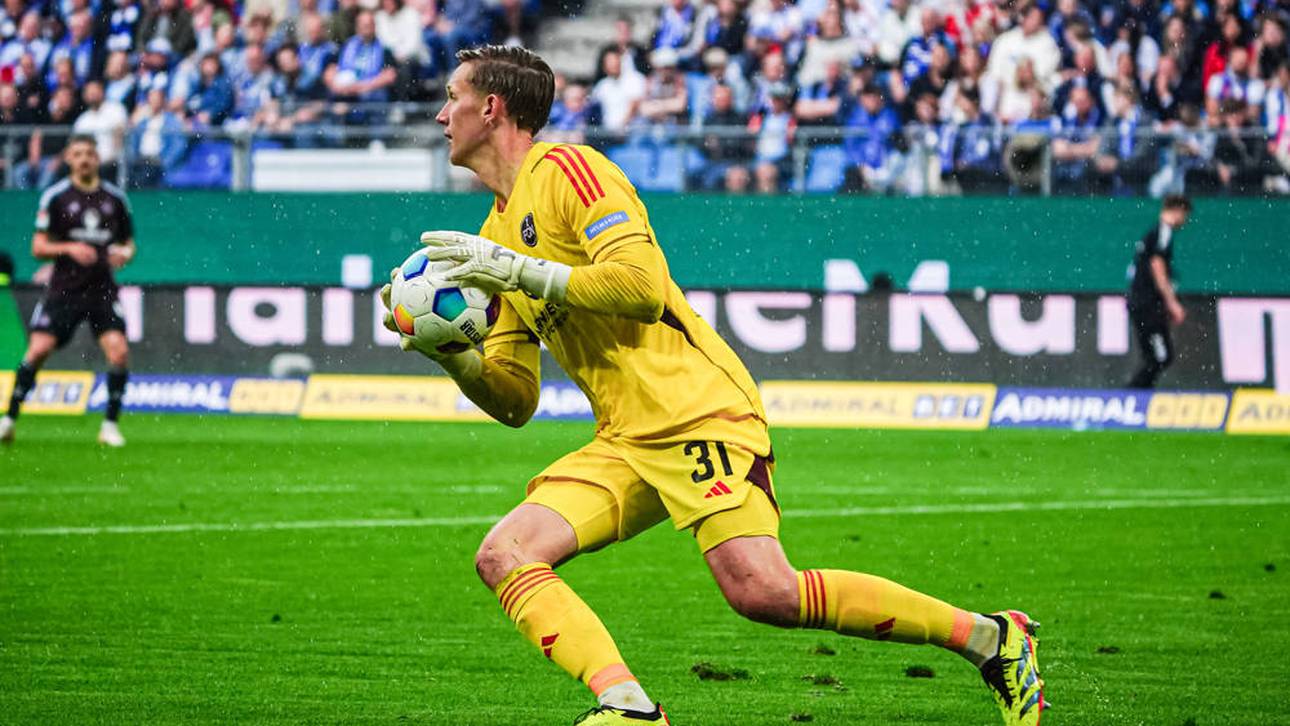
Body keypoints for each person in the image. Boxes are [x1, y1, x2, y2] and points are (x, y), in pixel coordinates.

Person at [379, 45, 1046, 726]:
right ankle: (628, 706)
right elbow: (517, 399)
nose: (439, 114)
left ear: (491, 108)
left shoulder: (569, 171)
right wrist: (454, 356)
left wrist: (516, 270)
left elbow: (639, 289)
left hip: (699, 410)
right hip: (624, 438)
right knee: (505, 553)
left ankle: (990, 638)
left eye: (452, 96)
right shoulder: (492, 237)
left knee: (763, 592)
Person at [0, 136, 135, 447]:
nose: (84, 159)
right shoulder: (56, 197)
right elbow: (38, 247)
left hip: (102, 289)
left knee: (119, 352)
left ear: (97, 158)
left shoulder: (115, 199)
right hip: (65, 289)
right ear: (69, 159)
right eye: (78, 154)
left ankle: (110, 426)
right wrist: (70, 248)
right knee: (37, 351)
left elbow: (129, 244)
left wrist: (125, 254)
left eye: (89, 153)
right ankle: (8, 419)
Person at [1126, 194, 1191, 389]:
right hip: (1147, 304)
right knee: (1159, 357)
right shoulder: (1164, 232)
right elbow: (1157, 264)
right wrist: (1172, 302)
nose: (1185, 221)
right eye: (1185, 215)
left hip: (1142, 303)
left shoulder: (1153, 232)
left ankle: (1135, 397)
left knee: (1154, 358)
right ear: (1178, 210)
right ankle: (1131, 396)